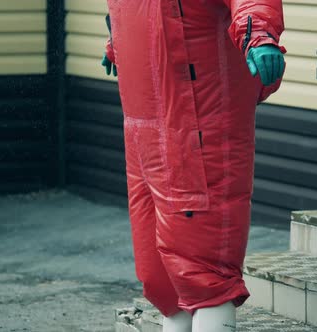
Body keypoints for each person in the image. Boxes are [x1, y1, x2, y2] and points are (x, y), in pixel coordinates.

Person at [101, 1, 285, 331]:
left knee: (205, 274)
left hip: (199, 131)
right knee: (161, 279)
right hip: (147, 137)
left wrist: (259, 32)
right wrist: (119, 42)